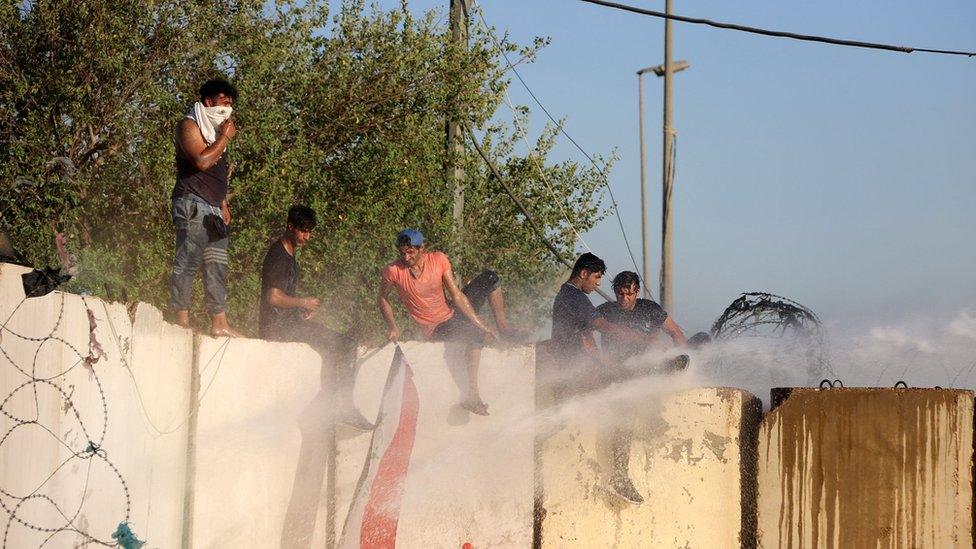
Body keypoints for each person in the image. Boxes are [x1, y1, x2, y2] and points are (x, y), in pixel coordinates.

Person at [377, 229, 519, 416]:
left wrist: (482, 325)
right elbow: (382, 298)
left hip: (452, 311)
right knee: (476, 335)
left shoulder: (438, 259)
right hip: (436, 327)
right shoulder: (393, 271)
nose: (406, 256)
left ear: (422, 248)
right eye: (402, 252)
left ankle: (504, 329)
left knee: (490, 278)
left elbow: (457, 295)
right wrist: (393, 326)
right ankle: (472, 395)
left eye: (410, 252)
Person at [260, 205, 373, 430]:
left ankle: (330, 405)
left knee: (339, 343)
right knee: (346, 343)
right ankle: (343, 408)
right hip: (278, 329)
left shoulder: (289, 254)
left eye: (310, 232)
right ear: (289, 226)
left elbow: (283, 297)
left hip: (289, 322)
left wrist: (299, 310)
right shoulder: (278, 255)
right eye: (303, 231)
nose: (307, 237)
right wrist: (302, 302)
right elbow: (273, 297)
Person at [595, 271, 688, 505]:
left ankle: (667, 375)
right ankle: (619, 477)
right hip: (618, 374)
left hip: (645, 371)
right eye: (620, 293)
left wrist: (681, 354)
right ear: (615, 292)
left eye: (629, 293)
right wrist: (601, 359)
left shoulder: (650, 309)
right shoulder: (606, 311)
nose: (625, 298)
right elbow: (584, 331)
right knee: (625, 417)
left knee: (670, 364)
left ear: (637, 291)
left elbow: (676, 333)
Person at [170, 78, 241, 337]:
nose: (227, 110)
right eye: (224, 103)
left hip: (214, 208)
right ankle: (180, 320)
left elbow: (218, 170)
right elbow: (201, 161)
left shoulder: (214, 132)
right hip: (191, 202)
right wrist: (224, 136)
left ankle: (219, 324)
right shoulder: (189, 125)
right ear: (208, 102)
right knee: (188, 260)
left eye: (231, 105)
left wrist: (223, 202)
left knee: (217, 265)